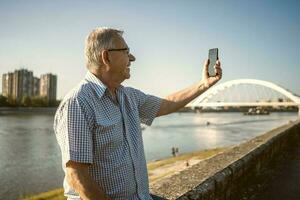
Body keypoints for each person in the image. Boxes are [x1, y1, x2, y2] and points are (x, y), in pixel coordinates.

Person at [54, 27, 222, 200]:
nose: (132, 58)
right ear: (106, 57)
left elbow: (166, 104)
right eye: (126, 52)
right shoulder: (78, 102)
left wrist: (204, 85)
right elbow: (77, 176)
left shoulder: (127, 96)